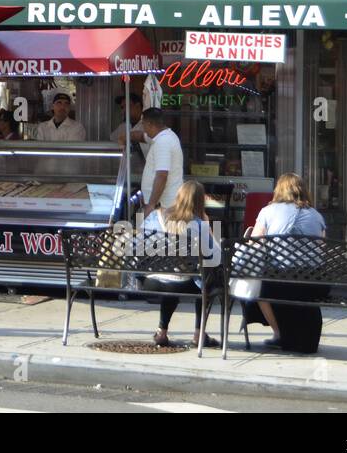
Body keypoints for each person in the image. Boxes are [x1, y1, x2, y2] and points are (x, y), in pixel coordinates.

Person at [237, 173, 328, 353]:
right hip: (312, 284)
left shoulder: (268, 212)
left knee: (258, 288)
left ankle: (279, 334)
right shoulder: (316, 216)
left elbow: (255, 245)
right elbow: (322, 250)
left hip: (280, 283)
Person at [141, 179, 221, 348]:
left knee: (173, 277)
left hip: (152, 281)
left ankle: (161, 332)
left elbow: (138, 245)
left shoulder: (155, 217)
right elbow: (216, 256)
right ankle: (199, 334)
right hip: (182, 283)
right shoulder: (199, 224)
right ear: (200, 201)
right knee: (205, 280)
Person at [139, 108, 184, 216]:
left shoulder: (163, 142)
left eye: (143, 124)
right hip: (164, 205)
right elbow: (141, 136)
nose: (143, 128)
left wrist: (151, 205)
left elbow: (162, 175)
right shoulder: (167, 136)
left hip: (164, 207)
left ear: (150, 124)